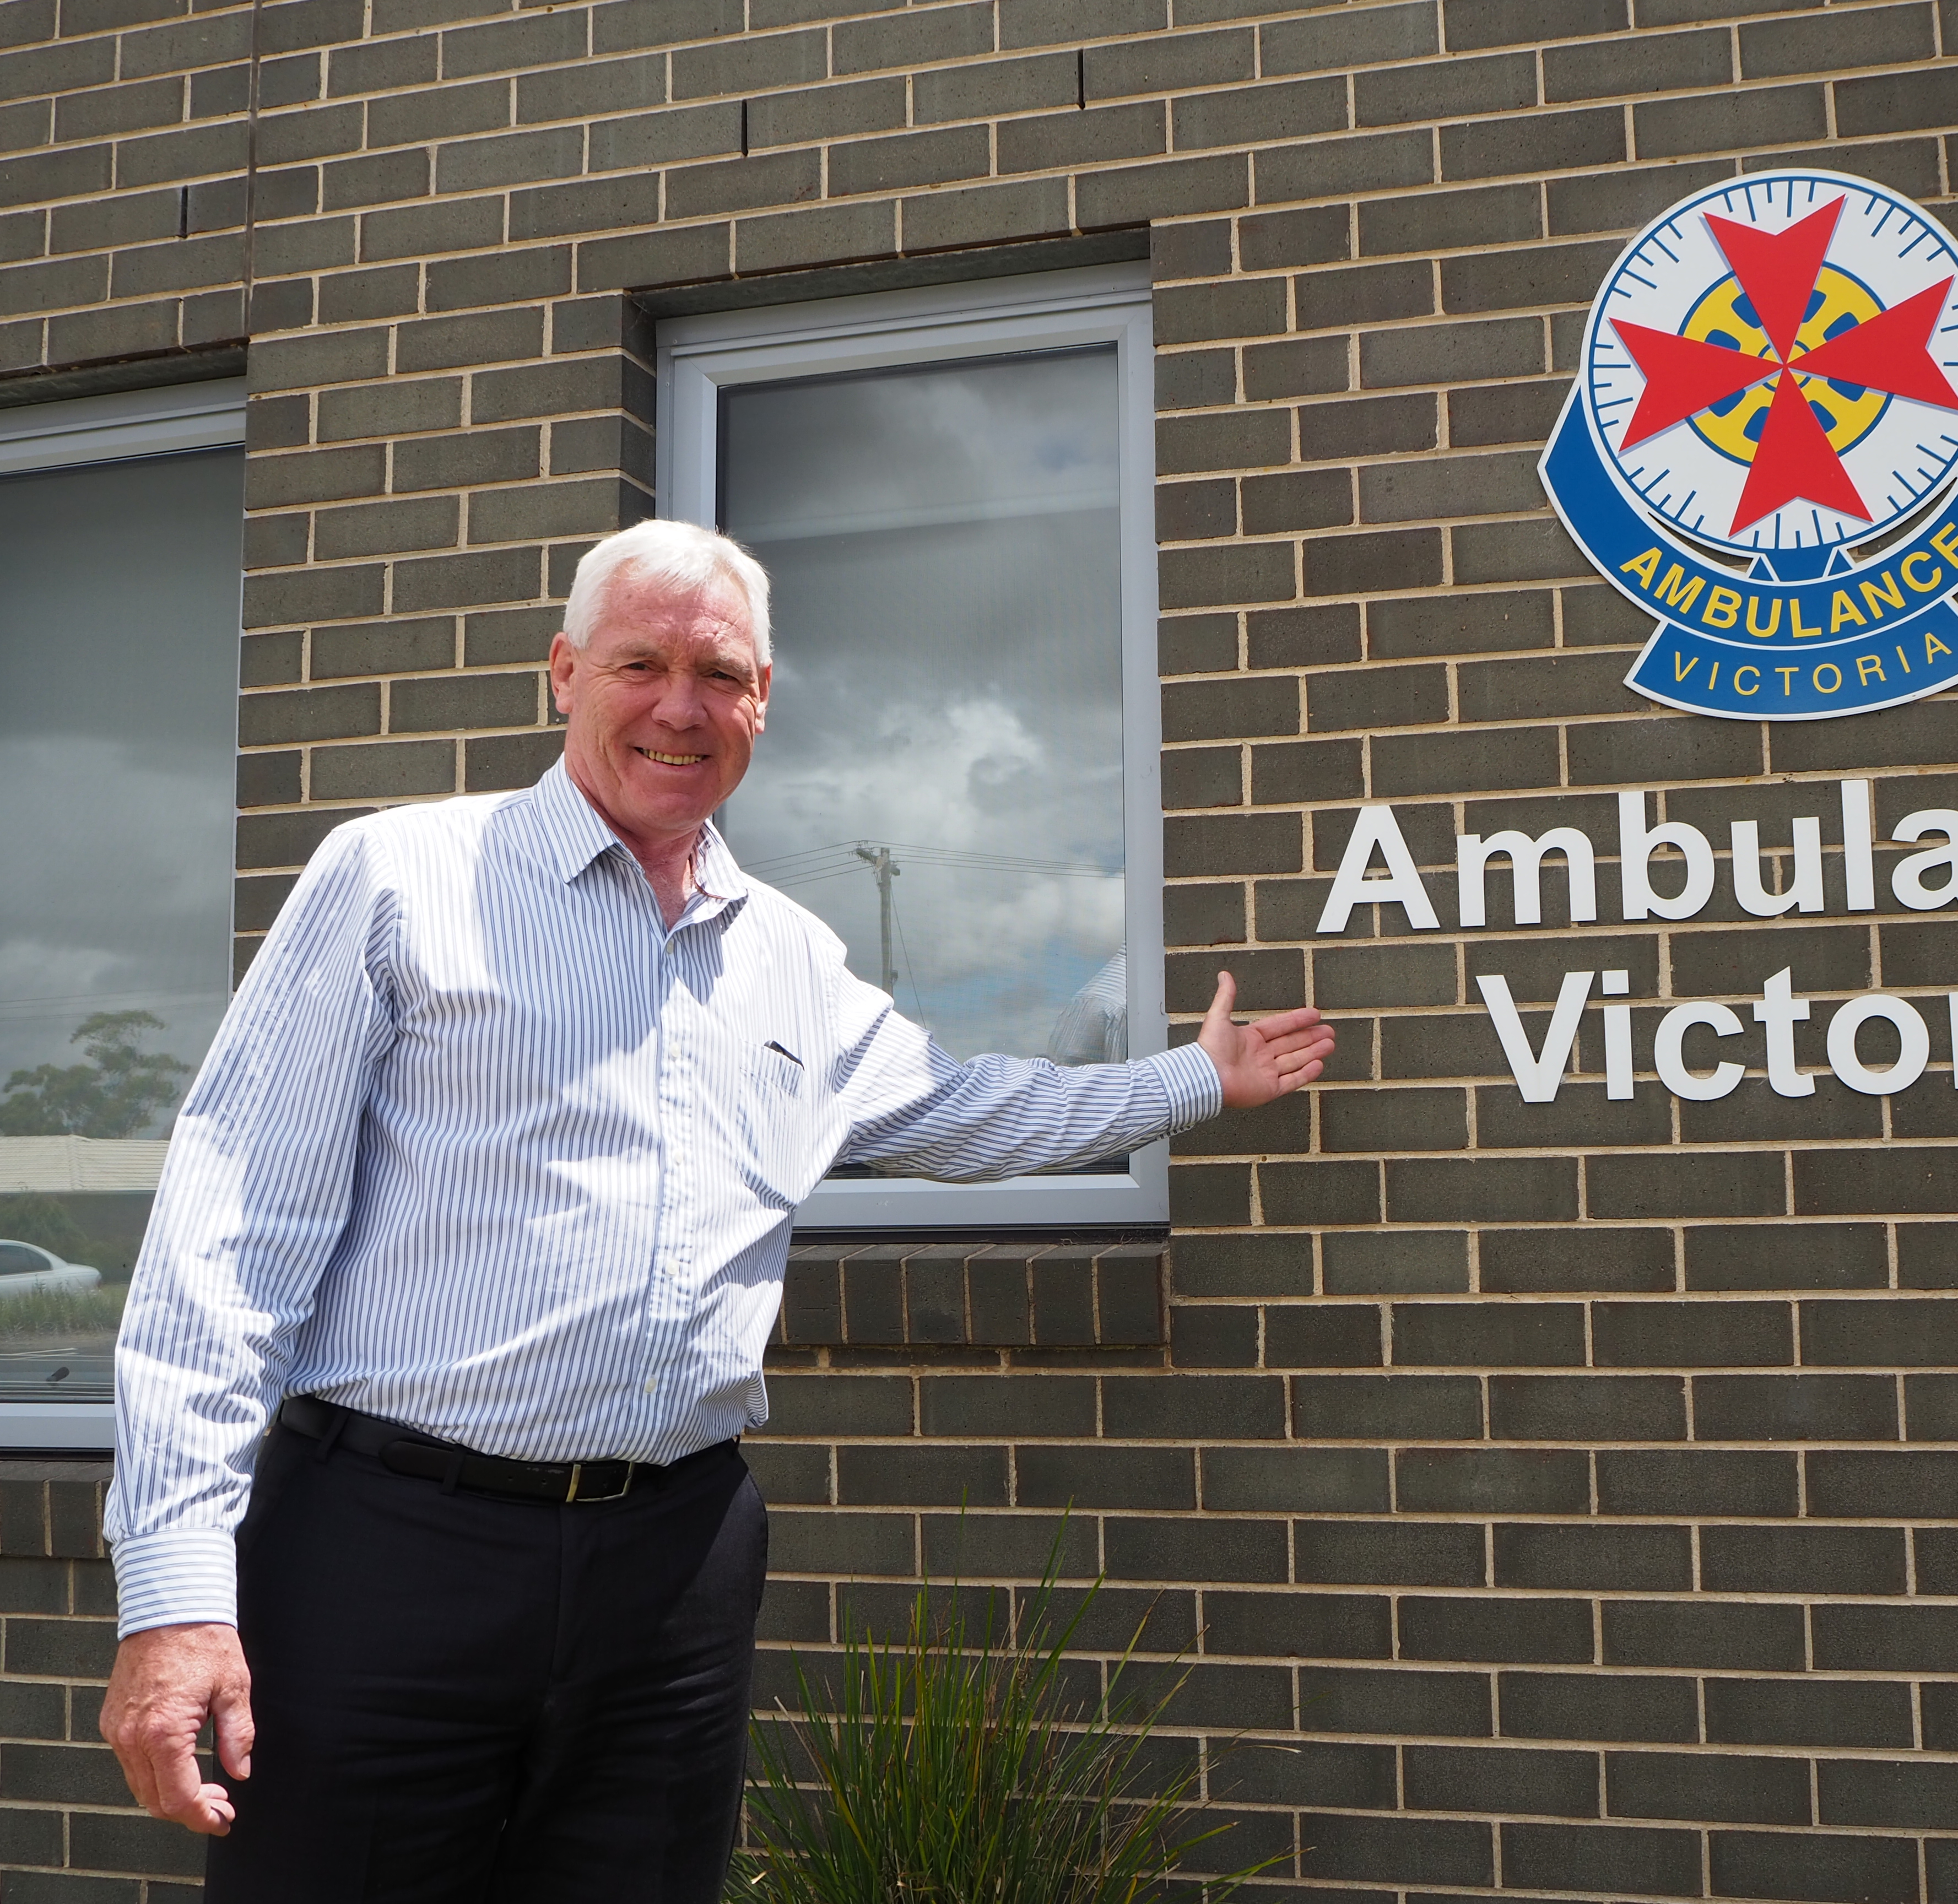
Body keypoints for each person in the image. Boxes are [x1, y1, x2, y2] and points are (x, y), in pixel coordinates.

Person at [95, 519, 1332, 1902]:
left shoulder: (793, 956)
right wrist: (178, 1594)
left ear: (761, 703)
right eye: (642, 663)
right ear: (564, 674)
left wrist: (1192, 1084)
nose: (680, 706)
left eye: (720, 673)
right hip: (393, 1556)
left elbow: (965, 1104)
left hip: (673, 1573)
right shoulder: (398, 880)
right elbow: (229, 1233)